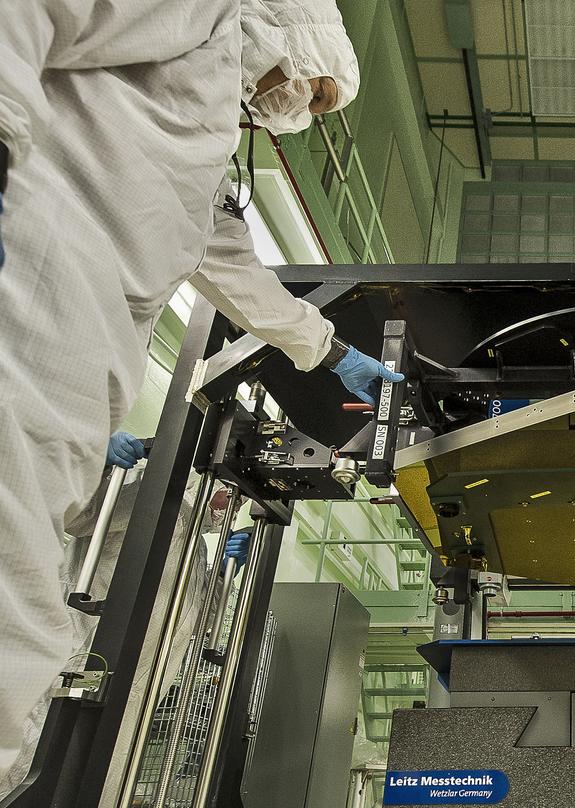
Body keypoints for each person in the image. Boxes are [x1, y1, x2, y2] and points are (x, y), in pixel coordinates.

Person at [0, 0, 400, 792]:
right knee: (16, 606)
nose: (301, 115)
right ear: (298, 34)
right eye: (316, 96)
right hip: (32, 289)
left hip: (90, 348)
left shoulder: (214, 129)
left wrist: (331, 350)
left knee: (25, 586)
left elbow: (227, 259)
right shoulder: (201, 14)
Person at [1, 433, 251, 796]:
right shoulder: (155, 495)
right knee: (26, 772)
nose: (234, 506)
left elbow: (197, 621)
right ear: (207, 478)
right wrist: (97, 462)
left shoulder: (194, 548)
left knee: (89, 788)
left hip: (130, 697)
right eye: (232, 494)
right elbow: (77, 515)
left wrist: (225, 571)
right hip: (70, 670)